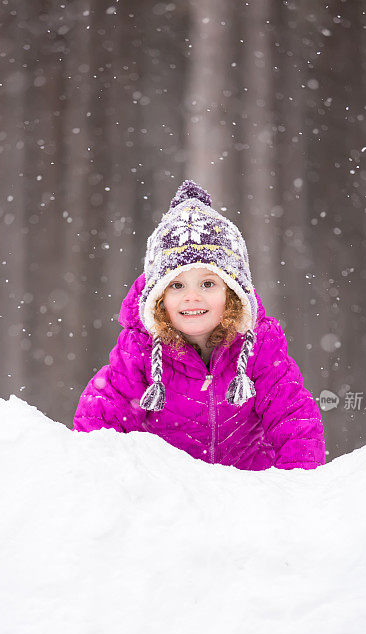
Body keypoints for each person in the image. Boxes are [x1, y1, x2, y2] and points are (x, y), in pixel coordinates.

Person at [72, 179, 326, 471]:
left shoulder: (258, 346)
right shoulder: (140, 351)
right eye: (177, 285)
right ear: (158, 298)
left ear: (232, 292)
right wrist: (100, 480)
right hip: (169, 494)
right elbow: (100, 420)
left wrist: (297, 487)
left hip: (248, 491)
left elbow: (293, 417)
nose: (192, 297)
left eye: (207, 283)